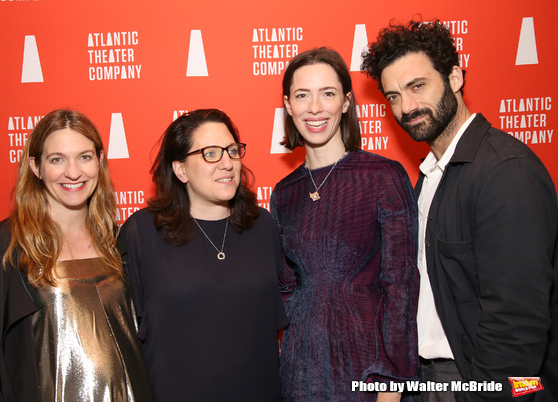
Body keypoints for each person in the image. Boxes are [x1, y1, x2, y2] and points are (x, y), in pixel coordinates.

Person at [362, 19, 558, 402]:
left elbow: (517, 324)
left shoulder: (505, 171)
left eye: (417, 86)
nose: (407, 107)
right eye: (393, 96)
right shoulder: (430, 176)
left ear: (453, 77)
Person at [0, 109, 154, 401]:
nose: (73, 172)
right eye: (57, 159)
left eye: (84, 157)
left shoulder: (118, 240)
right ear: (36, 167)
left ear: (100, 162)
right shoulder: (5, 247)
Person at [272, 47, 419, 401]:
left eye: (328, 93)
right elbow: (286, 287)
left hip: (365, 365)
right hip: (301, 366)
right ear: (289, 105)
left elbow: (400, 286)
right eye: (302, 95)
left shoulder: (382, 176)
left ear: (347, 102)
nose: (315, 107)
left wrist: (391, 384)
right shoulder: (284, 193)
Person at [118, 108, 289, 401]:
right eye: (210, 153)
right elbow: (122, 339)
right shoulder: (141, 232)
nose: (227, 163)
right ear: (180, 169)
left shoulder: (263, 226)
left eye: (232, 151)